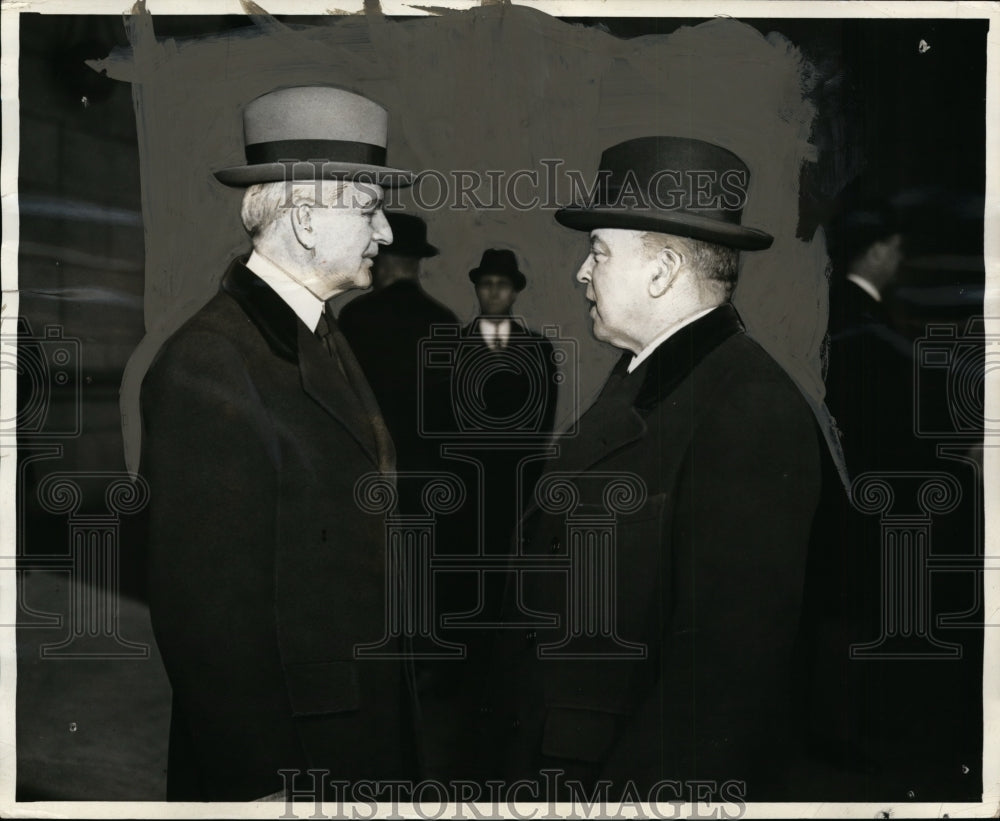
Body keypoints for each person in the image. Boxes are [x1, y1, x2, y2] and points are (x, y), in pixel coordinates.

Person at [486, 136, 839, 800]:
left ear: (662, 270)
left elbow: (722, 684)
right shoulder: (655, 376)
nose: (581, 275)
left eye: (598, 253)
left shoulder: (747, 408)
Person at [140, 85, 418, 800]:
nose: (385, 234)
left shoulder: (314, 332)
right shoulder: (210, 364)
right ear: (302, 220)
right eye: (367, 210)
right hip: (287, 765)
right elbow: (208, 620)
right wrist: (265, 785)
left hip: (345, 737)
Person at [339, 211, 459, 513]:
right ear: (416, 262)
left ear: (386, 259)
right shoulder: (443, 321)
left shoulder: (356, 316)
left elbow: (345, 394)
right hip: (428, 469)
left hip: (368, 461)